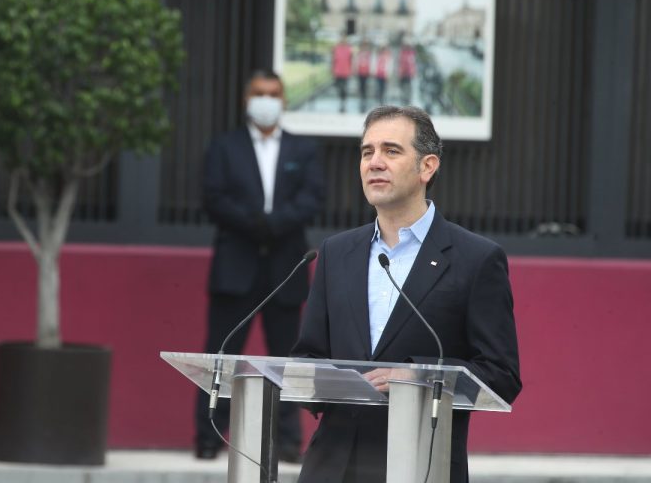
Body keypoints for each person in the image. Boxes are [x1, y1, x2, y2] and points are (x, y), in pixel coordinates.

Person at [291, 105, 521, 482]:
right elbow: (308, 356)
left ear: (427, 167)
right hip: (333, 467)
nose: (374, 162)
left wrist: (416, 376)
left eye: (391, 151)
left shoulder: (476, 259)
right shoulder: (335, 252)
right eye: (367, 152)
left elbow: (501, 375)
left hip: (422, 464)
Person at [195, 69, 325, 463]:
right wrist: (257, 224)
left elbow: (312, 198)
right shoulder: (224, 147)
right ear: (246, 99)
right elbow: (214, 198)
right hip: (236, 267)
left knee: (288, 360)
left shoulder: (303, 150)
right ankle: (207, 438)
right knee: (220, 359)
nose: (266, 99)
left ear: (283, 100)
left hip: (285, 269)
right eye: (258, 93)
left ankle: (288, 443)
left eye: (273, 93)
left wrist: (275, 224)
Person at [332, 35, 353, 113]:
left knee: (344, 88)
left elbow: (351, 60)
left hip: (346, 72)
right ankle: (341, 101)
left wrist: (351, 70)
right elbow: (333, 60)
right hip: (338, 71)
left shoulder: (349, 49)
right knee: (339, 88)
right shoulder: (336, 48)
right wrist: (333, 70)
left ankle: (343, 104)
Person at [355, 40, 373, 112]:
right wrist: (356, 70)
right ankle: (361, 100)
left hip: (367, 73)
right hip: (360, 72)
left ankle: (365, 100)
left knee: (366, 87)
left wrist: (371, 71)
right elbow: (356, 62)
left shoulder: (369, 54)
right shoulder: (359, 53)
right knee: (361, 87)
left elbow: (372, 62)